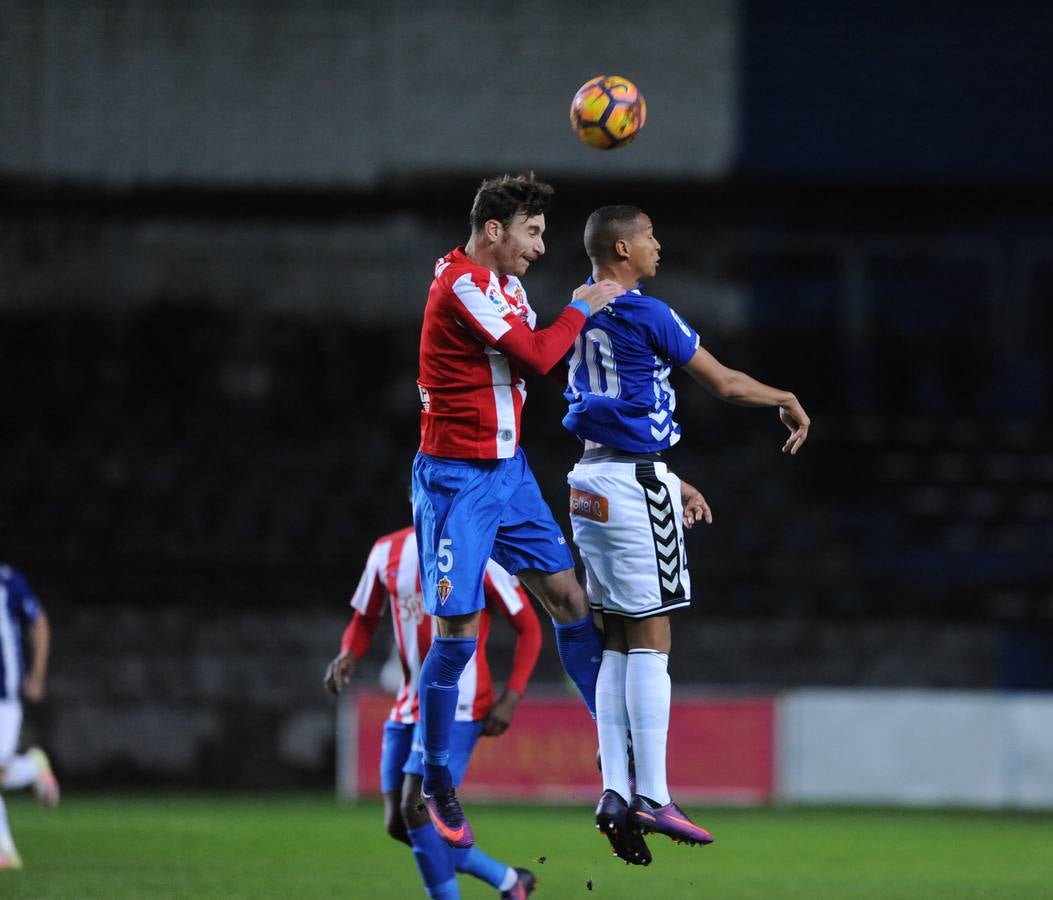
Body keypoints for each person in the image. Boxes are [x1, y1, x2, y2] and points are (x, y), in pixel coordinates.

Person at [562, 205, 810, 864]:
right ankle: (656, 795)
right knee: (653, 634)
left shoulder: (577, 308)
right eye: (648, 236)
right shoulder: (647, 313)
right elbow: (725, 384)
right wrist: (782, 396)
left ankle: (616, 789)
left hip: (588, 482)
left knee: (616, 635)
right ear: (621, 247)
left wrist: (667, 479)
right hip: (632, 487)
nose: (658, 246)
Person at [411, 172, 626, 848]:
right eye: (532, 233)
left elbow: (542, 357)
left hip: (510, 475)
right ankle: (436, 777)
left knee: (569, 599)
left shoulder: (506, 285)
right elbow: (536, 354)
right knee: (457, 634)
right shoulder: (462, 284)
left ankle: (614, 745)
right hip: (456, 483)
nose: (539, 246)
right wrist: (582, 306)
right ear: (495, 230)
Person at [325, 527, 541, 900]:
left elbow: (530, 628)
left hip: (461, 700)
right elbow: (364, 619)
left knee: (416, 808)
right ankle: (509, 881)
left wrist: (511, 696)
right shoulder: (385, 551)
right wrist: (349, 652)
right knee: (400, 822)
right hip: (408, 700)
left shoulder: (478, 549)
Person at [0, 563, 59, 871]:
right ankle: (32, 769)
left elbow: (39, 623)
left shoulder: (8, 582)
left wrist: (36, 674)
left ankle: (4, 850)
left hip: (4, 696)